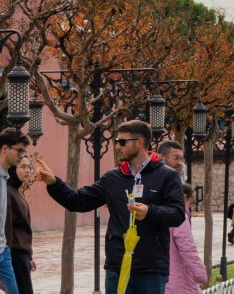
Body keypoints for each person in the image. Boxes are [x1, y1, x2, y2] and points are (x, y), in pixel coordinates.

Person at [38, 120, 186, 294]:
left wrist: (149, 211)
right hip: (117, 265)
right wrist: (54, 183)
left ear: (140, 143)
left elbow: (177, 214)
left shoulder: (167, 175)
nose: (117, 146)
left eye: (122, 142)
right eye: (116, 141)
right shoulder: (112, 178)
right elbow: (79, 201)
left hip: (151, 268)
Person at [167, 183, 209, 294]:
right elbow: (187, 248)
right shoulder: (180, 217)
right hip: (178, 281)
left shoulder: (157, 213)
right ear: (184, 198)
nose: (190, 208)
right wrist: (201, 275)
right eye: (191, 203)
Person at [4, 140, 35, 294]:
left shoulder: (17, 191)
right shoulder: (8, 191)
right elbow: (7, 228)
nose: (28, 170)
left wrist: (29, 255)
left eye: (29, 167)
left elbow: (24, 229)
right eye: (23, 167)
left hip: (21, 256)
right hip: (14, 256)